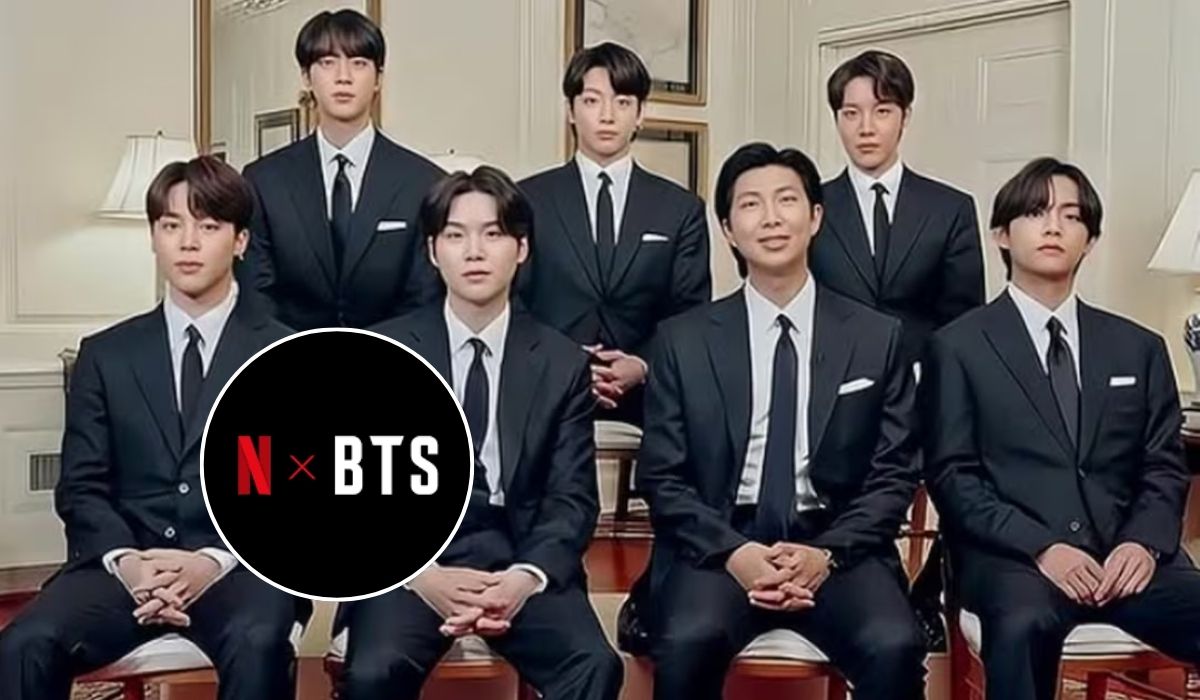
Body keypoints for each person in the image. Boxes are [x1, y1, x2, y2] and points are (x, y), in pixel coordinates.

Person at [0, 156, 308, 700]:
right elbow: (81, 487)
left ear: (240, 241)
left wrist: (212, 561)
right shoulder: (105, 355)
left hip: (238, 570)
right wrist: (130, 564)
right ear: (153, 237)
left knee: (259, 641)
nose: (188, 242)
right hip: (123, 569)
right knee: (24, 643)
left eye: (208, 226)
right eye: (171, 225)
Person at [632, 143, 926, 700]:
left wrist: (825, 554)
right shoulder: (682, 341)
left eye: (786, 200)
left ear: (814, 217)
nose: (770, 218)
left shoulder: (876, 336)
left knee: (894, 643)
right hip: (720, 544)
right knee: (690, 638)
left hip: (836, 545)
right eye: (750, 204)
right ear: (727, 229)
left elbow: (893, 474)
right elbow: (662, 477)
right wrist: (736, 553)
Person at [335, 167, 623, 700]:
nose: (474, 252)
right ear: (432, 250)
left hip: (519, 554)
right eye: (455, 235)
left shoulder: (560, 362)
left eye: (493, 234)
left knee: (594, 666)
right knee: (375, 671)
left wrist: (523, 578)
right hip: (412, 565)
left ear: (521, 248)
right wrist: (422, 576)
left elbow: (573, 499)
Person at [924, 156, 1200, 699]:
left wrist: (1142, 544)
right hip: (1014, 562)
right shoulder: (957, 347)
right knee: (1022, 625)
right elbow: (953, 477)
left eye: (1071, 216)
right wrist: (1043, 548)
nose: (1053, 226)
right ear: (1002, 234)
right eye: (1036, 212)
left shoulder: (1138, 347)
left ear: (1089, 240)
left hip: (1127, 557)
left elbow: (1164, 467)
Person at [519, 42, 710, 424]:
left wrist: (642, 364)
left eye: (622, 102)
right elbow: (511, 302)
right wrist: (565, 362)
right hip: (544, 394)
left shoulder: (680, 208)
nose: (607, 116)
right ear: (571, 111)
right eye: (592, 101)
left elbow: (691, 314)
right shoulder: (527, 199)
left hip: (651, 402)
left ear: (640, 114)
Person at [240, 9, 444, 330]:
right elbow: (258, 297)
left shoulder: (423, 181)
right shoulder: (264, 181)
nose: (343, 76)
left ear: (378, 79)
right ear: (307, 77)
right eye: (327, 62)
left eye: (359, 63)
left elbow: (423, 299)